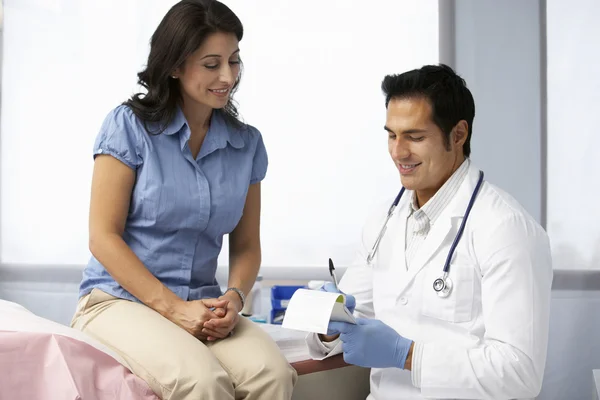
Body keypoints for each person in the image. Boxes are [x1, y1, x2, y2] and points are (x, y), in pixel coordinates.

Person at [70, 1, 297, 399]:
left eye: (234, 60)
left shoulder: (246, 144)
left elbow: (246, 246)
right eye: (212, 64)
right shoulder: (128, 127)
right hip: (118, 301)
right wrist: (173, 308)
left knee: (273, 374)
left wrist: (235, 297)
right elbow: (102, 237)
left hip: (201, 304)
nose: (228, 76)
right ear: (175, 65)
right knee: (202, 382)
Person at [306, 64, 553, 400]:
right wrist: (329, 322)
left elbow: (519, 373)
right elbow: (356, 318)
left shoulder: (506, 229)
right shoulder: (383, 220)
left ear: (458, 134)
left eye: (415, 137)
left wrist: (406, 355)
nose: (398, 152)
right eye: (392, 135)